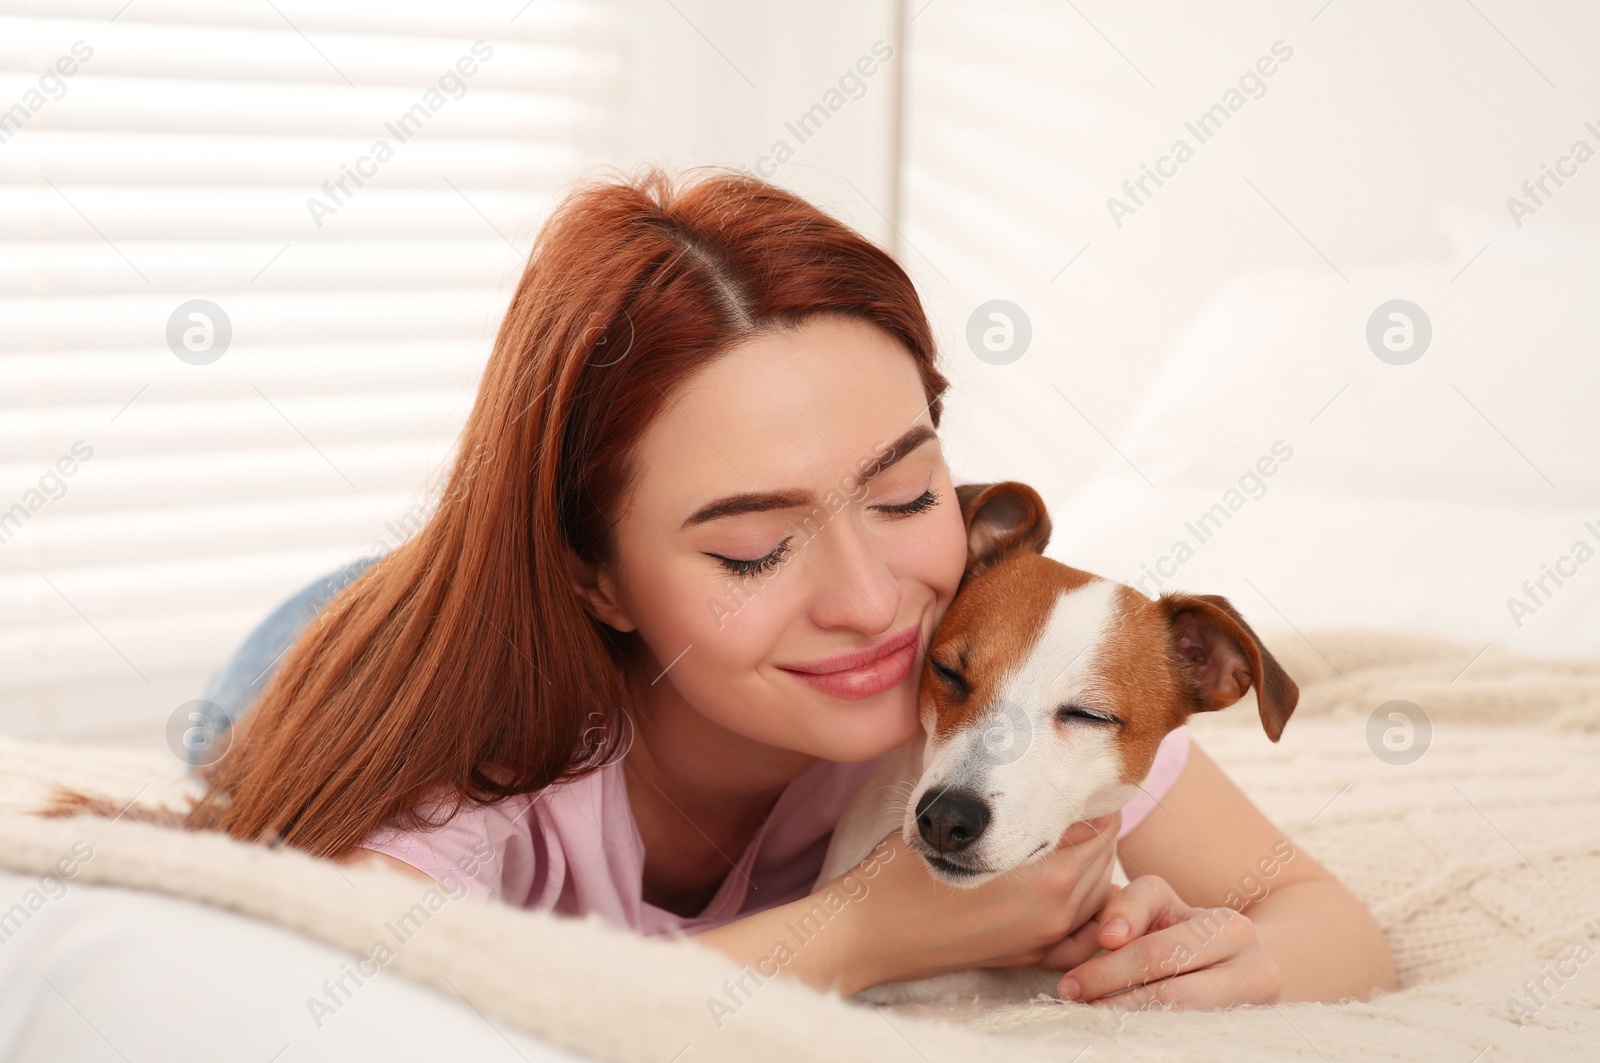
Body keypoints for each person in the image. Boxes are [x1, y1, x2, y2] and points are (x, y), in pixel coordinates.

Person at [184, 166, 1395, 1010]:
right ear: (594, 572)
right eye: (754, 546)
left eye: (908, 494)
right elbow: (375, 1010)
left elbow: (1322, 919)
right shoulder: (478, 754)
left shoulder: (992, 674)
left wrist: (1230, 965)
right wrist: (869, 929)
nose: (874, 604)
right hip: (349, 634)